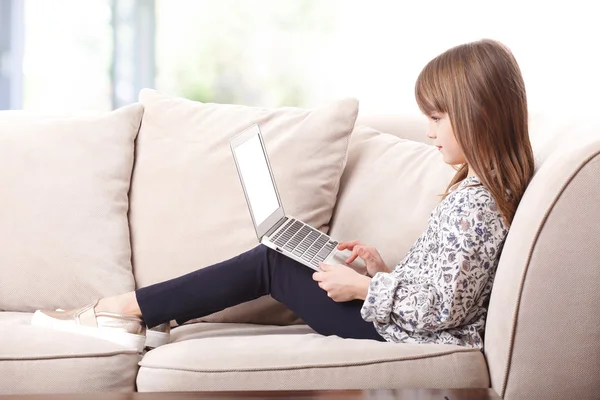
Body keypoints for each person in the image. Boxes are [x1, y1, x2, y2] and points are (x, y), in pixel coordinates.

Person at [31, 38, 535, 351]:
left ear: (478, 114)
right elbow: (443, 289)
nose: (428, 132)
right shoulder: (481, 191)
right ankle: (148, 312)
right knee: (276, 253)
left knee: (270, 262)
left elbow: (442, 313)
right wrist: (382, 271)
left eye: (437, 117)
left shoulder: (478, 205)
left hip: (400, 333)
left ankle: (126, 311)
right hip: (400, 319)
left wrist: (362, 289)